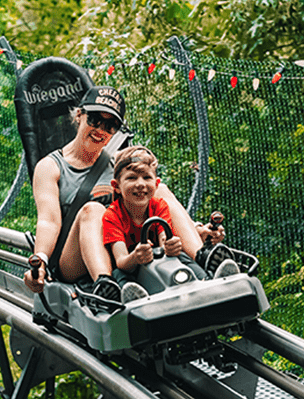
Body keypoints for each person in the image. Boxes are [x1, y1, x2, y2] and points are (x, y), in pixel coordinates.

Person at [23, 85, 228, 303]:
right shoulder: (51, 166)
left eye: (111, 125)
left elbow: (151, 205)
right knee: (93, 210)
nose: (101, 130)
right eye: (95, 120)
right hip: (75, 259)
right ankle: (105, 283)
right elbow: (49, 222)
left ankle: (204, 256)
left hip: (123, 249)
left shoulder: (119, 163)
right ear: (79, 115)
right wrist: (41, 261)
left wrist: (197, 229)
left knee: (159, 189)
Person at [102, 146, 240, 303]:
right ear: (116, 186)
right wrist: (135, 257)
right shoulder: (112, 215)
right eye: (132, 178)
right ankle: (132, 295)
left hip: (157, 261)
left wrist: (172, 246)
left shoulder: (159, 205)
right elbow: (121, 260)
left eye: (147, 178)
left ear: (156, 183)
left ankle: (209, 279)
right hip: (132, 266)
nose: (140, 184)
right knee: (118, 274)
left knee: (181, 255)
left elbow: (164, 240)